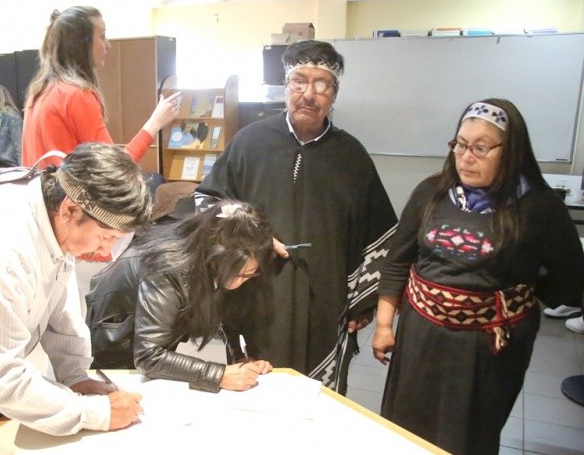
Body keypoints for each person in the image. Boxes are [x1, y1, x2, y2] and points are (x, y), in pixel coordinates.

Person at [372, 99, 584, 455]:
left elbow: (571, 279)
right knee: (406, 428)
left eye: (481, 148)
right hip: (421, 335)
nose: (466, 157)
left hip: (489, 346)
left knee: (468, 435)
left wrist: (519, 294)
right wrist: (382, 325)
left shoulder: (539, 207)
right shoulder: (431, 192)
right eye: (460, 144)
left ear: (510, 151)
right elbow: (397, 261)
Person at [0, 143, 153, 443]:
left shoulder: (52, 210)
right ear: (70, 210)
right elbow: (3, 378)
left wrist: (76, 376)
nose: (107, 252)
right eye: (105, 237)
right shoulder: (0, 249)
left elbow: (58, 299)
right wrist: (96, 413)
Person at [195, 40, 397, 394]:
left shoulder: (352, 156)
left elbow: (380, 236)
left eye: (322, 84)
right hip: (256, 294)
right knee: (254, 390)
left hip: (326, 298)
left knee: (314, 404)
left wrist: (363, 305)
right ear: (286, 87)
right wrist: (250, 241)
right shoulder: (248, 142)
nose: (309, 94)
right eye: (299, 81)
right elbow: (207, 203)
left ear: (334, 94)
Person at [86, 201, 276, 392]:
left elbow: (227, 315)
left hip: (145, 349)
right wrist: (218, 375)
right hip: (115, 346)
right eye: (233, 273)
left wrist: (241, 359)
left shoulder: (214, 261)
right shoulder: (168, 265)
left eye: (248, 275)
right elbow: (149, 356)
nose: (237, 282)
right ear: (213, 256)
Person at [22, 5, 181, 168]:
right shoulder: (77, 95)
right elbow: (115, 169)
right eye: (102, 36)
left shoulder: (38, 93)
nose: (108, 45)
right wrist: (155, 123)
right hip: (70, 193)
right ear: (81, 44)